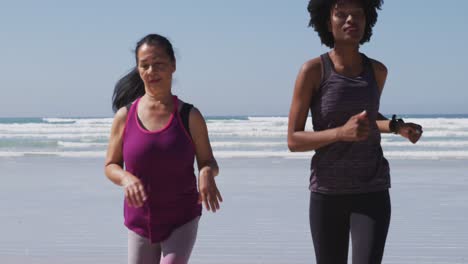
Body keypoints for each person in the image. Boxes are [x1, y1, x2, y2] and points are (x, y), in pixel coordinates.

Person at [287, 1, 423, 263]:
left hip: (372, 189)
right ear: (328, 22)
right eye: (341, 14)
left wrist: (397, 127)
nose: (351, 20)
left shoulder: (377, 71)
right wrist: (341, 133)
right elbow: (293, 139)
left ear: (367, 20)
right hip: (327, 193)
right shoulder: (313, 71)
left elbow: (370, 120)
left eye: (358, 14)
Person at [105, 34, 222, 264]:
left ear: (173, 66)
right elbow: (111, 165)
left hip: (181, 218)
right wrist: (126, 178)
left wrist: (207, 172)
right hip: (140, 220)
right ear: (138, 69)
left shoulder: (190, 116)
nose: (151, 71)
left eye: (158, 64)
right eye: (144, 65)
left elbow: (208, 161)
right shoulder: (124, 116)